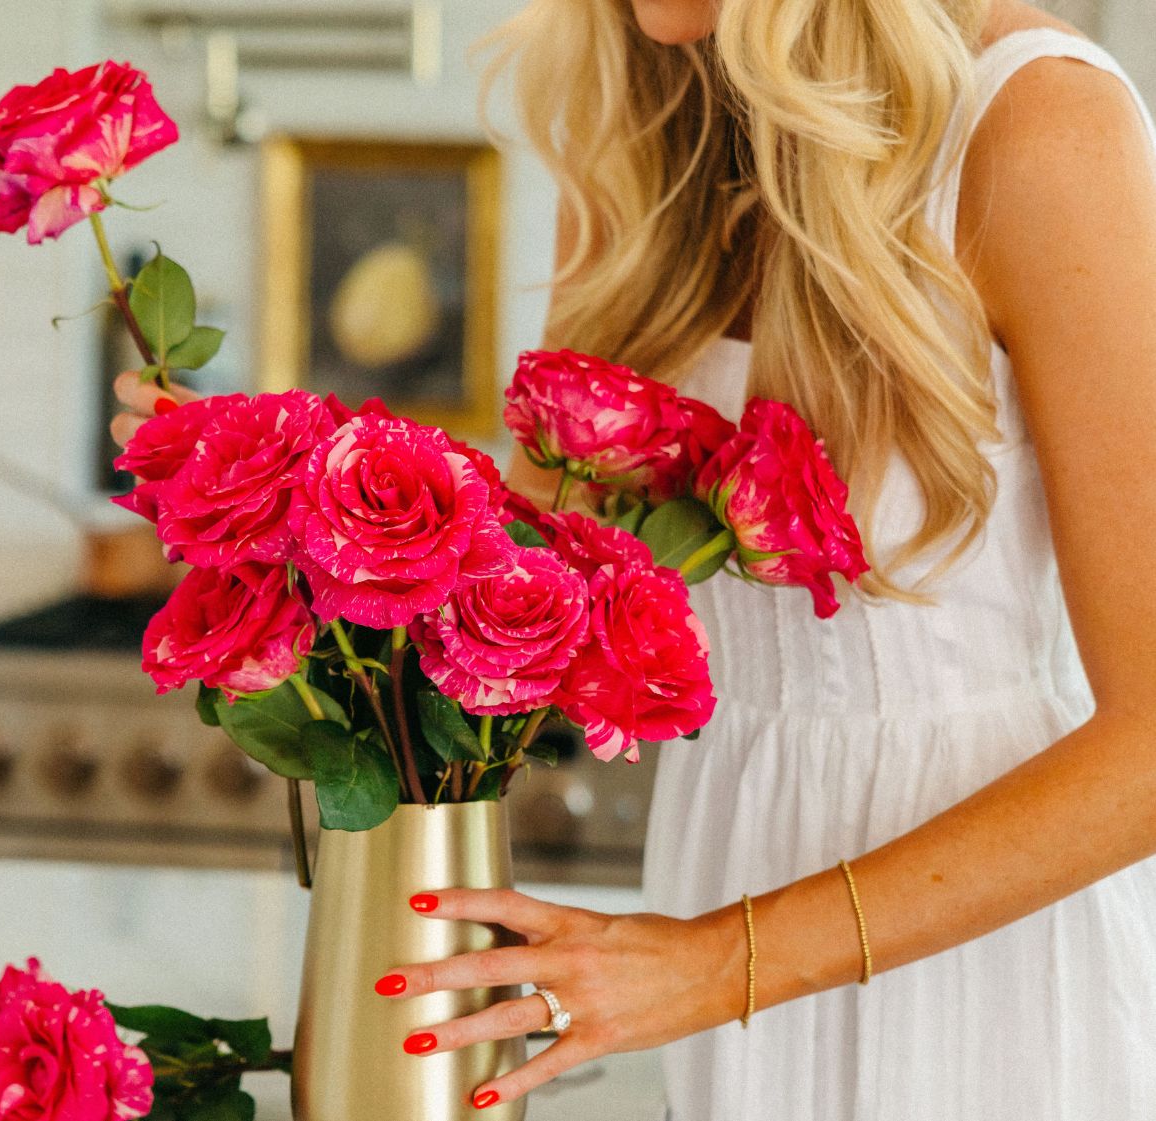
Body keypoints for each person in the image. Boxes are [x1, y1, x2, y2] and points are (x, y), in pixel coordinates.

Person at [114, 1, 1156, 1115]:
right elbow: (550, 572)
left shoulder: (1036, 121)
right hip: (719, 889)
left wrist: (717, 961)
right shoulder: (642, 140)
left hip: (972, 968)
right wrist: (274, 483)